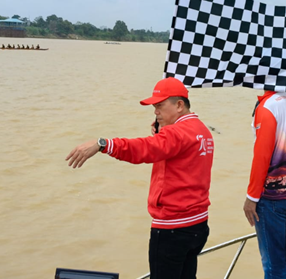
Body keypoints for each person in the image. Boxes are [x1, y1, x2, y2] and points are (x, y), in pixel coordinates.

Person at [66, 77, 214, 279]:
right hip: (197, 224)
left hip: (173, 227)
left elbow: (143, 149)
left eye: (160, 105)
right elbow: (171, 154)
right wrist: (160, 133)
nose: (155, 112)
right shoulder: (202, 130)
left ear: (179, 105)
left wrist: (103, 144)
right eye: (154, 107)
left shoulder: (176, 133)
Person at [243, 89, 286, 279]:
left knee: (272, 262)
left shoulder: (268, 106)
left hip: (272, 194)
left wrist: (252, 196)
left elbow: (262, 154)